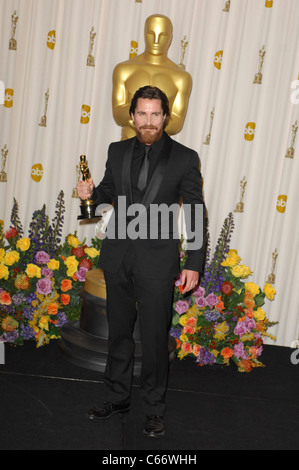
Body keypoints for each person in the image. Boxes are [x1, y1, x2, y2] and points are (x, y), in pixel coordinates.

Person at [77, 85, 206, 438]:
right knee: (118, 334)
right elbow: (107, 191)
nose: (148, 121)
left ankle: (153, 408)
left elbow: (194, 211)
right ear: (132, 116)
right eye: (142, 114)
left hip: (158, 262)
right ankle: (118, 397)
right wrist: (91, 194)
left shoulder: (184, 157)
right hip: (118, 256)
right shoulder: (116, 150)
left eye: (155, 114)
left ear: (166, 117)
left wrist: (194, 261)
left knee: (152, 338)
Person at [112, 14, 192, 140]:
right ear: (144, 33)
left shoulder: (181, 77)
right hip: (127, 146)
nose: (156, 40)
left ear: (170, 37)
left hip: (160, 151)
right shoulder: (124, 70)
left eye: (163, 35)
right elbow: (117, 114)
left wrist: (140, 116)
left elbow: (176, 124)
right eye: (151, 33)